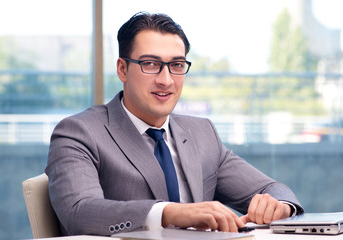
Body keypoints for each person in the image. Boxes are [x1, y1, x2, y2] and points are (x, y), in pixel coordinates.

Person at [46, 12, 304, 236]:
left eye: (177, 65)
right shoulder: (79, 132)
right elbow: (79, 211)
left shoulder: (202, 133)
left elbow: (272, 189)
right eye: (151, 64)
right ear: (122, 69)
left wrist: (279, 205)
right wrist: (168, 213)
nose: (166, 80)